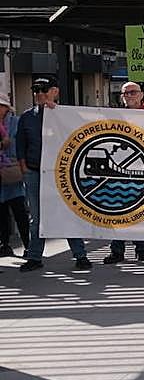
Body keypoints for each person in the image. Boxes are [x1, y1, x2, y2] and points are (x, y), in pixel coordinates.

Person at [16, 74, 91, 272]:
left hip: (61, 173)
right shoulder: (26, 117)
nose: (39, 94)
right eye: (36, 91)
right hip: (34, 172)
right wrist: (24, 168)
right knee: (37, 218)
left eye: (43, 90)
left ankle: (80, 255)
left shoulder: (67, 115)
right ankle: (34, 257)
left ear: (55, 92)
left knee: (67, 213)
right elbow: (21, 145)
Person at [103, 82, 144, 265]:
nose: (129, 95)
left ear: (141, 94)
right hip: (120, 164)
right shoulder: (115, 115)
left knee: (140, 210)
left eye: (133, 92)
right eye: (126, 93)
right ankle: (117, 250)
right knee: (118, 209)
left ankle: (141, 249)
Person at [0, 95, 31, 260]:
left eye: (1, 106)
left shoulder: (16, 122)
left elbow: (21, 144)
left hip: (12, 170)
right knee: (2, 212)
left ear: (7, 108)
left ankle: (28, 246)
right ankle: (4, 245)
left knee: (20, 211)